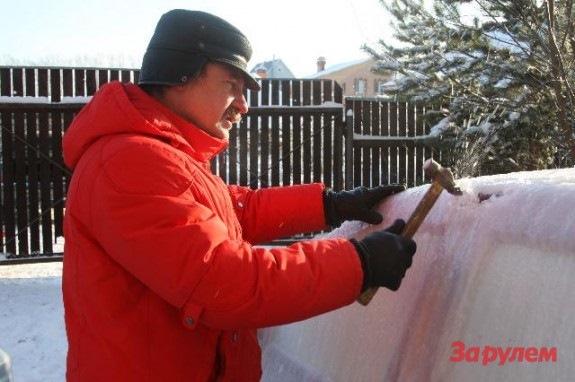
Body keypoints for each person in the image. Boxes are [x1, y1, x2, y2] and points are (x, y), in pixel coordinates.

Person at [61, 9, 417, 382]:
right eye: (232, 84)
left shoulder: (164, 156)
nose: (244, 105)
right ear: (180, 73)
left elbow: (233, 211)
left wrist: (329, 205)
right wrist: (358, 264)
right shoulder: (128, 162)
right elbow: (227, 282)